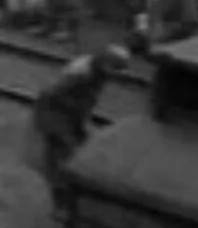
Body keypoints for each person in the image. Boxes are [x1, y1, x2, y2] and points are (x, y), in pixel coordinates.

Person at [25, 47, 128, 219]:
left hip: (68, 117)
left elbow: (86, 99)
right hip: (55, 117)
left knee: (77, 155)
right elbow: (52, 96)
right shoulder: (81, 73)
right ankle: (61, 206)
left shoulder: (96, 72)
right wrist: (68, 121)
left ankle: (71, 202)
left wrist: (82, 121)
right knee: (63, 159)